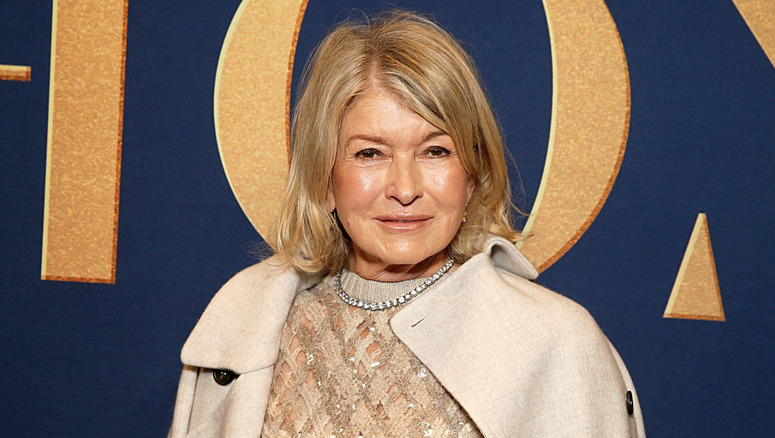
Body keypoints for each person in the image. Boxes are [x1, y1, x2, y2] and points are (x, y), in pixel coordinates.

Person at [168, 10, 645, 438]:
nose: (404, 187)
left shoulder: (552, 342)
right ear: (325, 179)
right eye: (369, 153)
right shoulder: (247, 325)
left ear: (472, 176)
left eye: (435, 151)